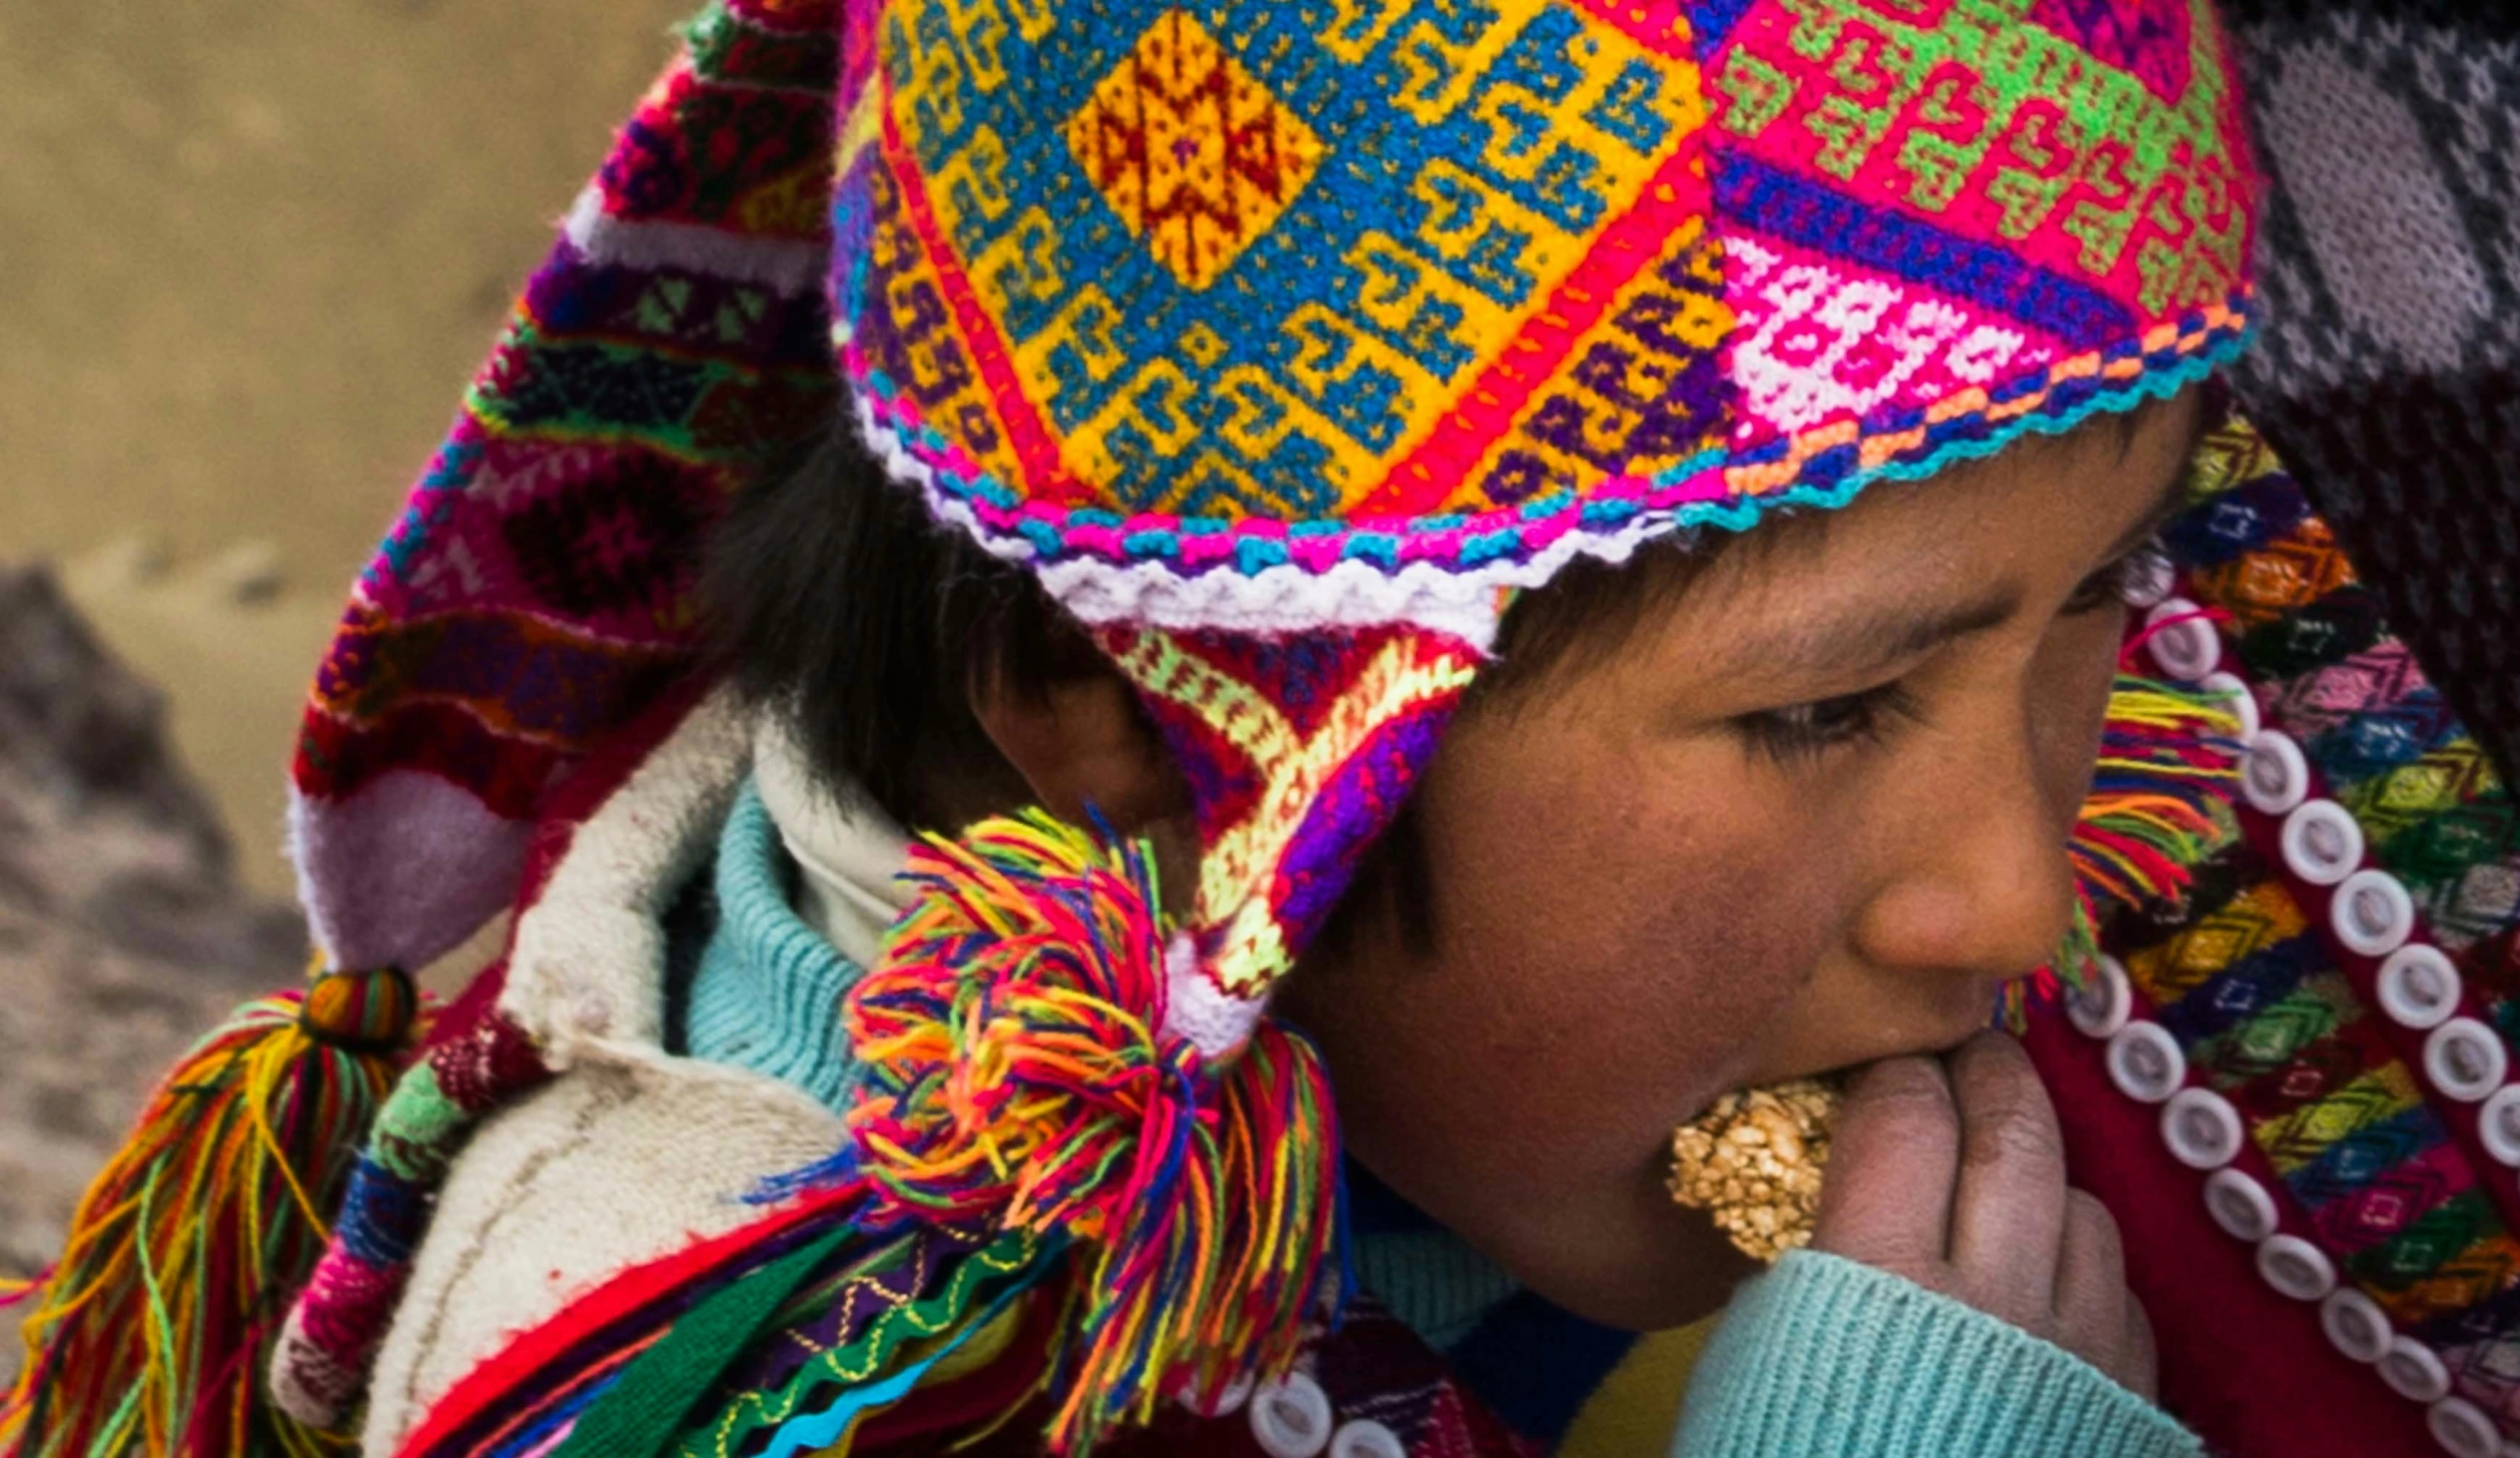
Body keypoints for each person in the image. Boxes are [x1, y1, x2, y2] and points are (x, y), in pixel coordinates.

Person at [6, 2, 2513, 1456]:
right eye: (1835, 702)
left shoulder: (1379, 1074)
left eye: (2093, 601)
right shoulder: (707, 1361)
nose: (2023, 894)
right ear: (1129, 717)